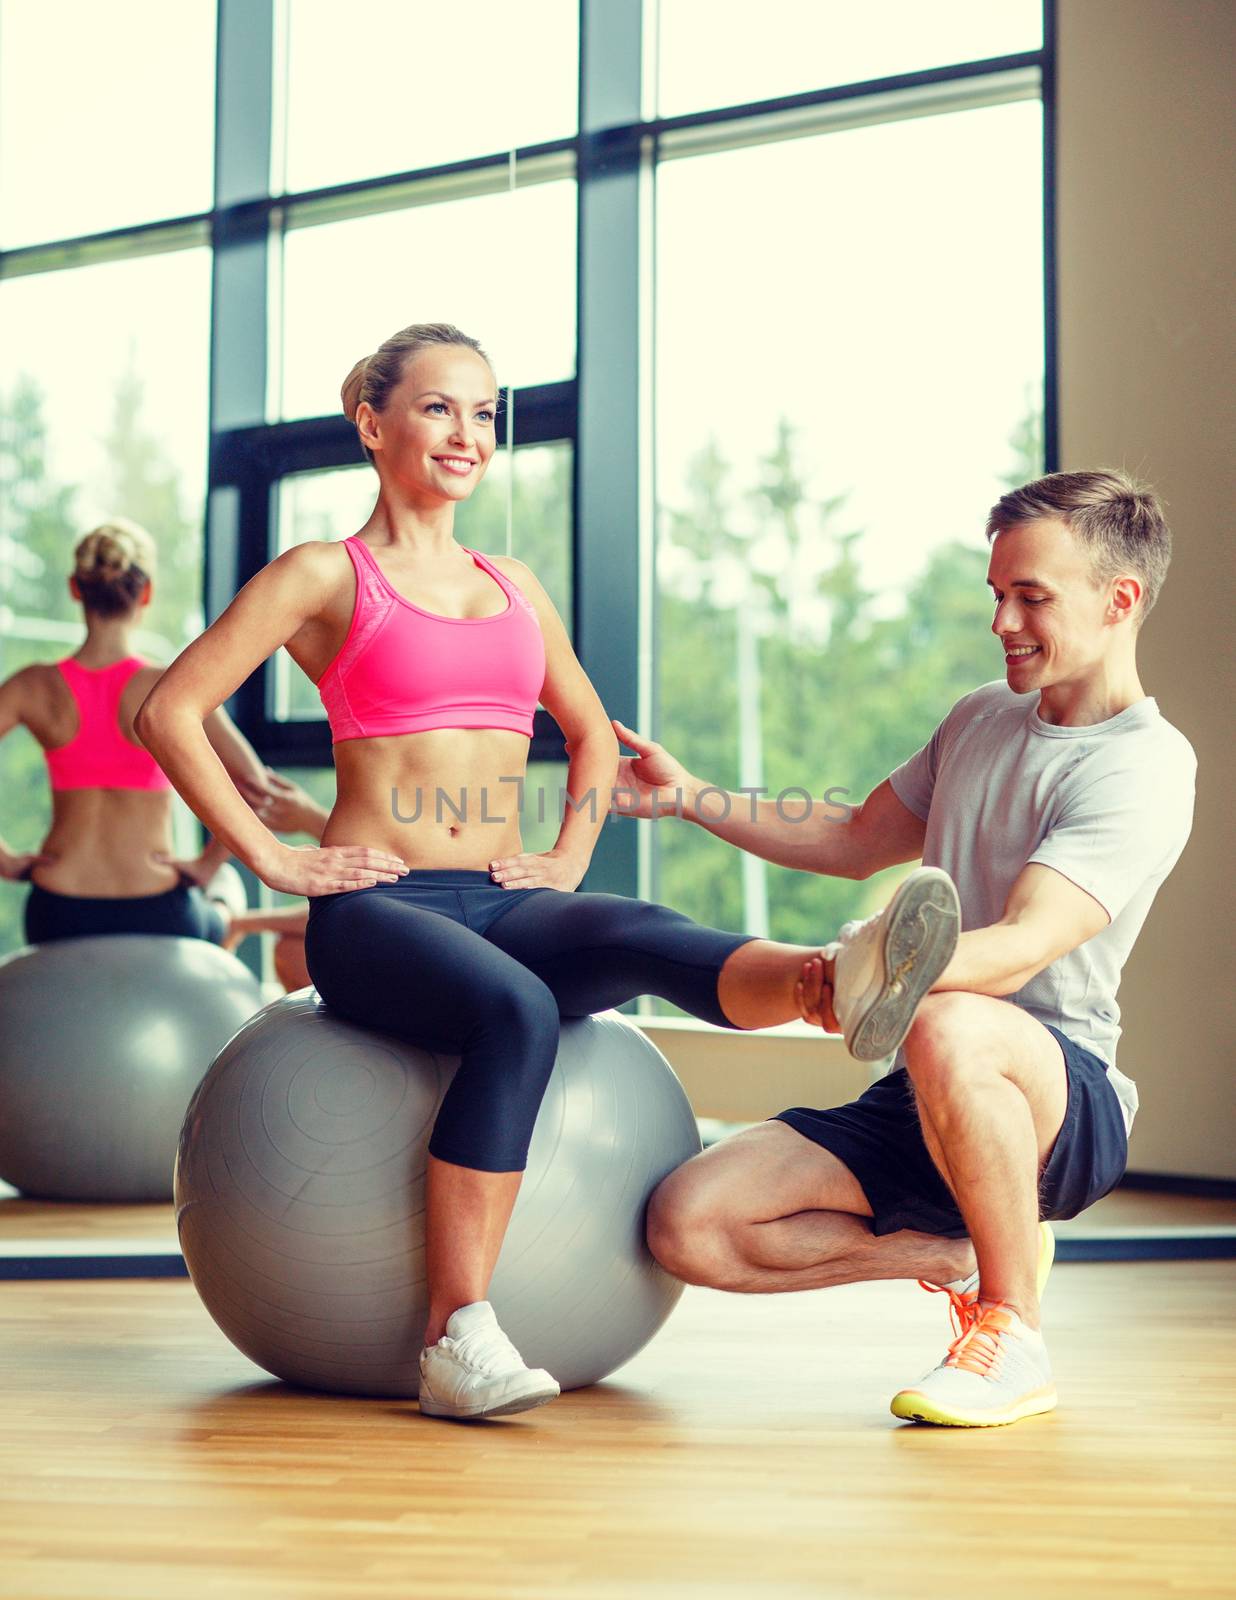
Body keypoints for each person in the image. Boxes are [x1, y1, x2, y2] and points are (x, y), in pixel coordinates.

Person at [134, 320, 962, 1422]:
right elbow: (168, 709)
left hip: (500, 893)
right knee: (517, 1012)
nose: (469, 434)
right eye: (438, 407)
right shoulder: (323, 575)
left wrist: (567, 856)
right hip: (376, 907)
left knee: (640, 930)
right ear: (372, 422)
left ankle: (831, 981)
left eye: (484, 413)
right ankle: (455, 1336)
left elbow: (588, 732)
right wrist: (275, 854)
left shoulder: (512, 582)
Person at [621, 469, 1196, 1428]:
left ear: (1119, 599)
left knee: (951, 1020)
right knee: (688, 1224)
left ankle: (1013, 1333)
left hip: (1062, 1096)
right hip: (926, 1081)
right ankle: (954, 1254)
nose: (1003, 620)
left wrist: (871, 976)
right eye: (997, 594)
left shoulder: (1143, 765)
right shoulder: (981, 717)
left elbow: (1016, 949)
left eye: (1032, 597)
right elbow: (851, 837)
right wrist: (691, 796)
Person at [0, 520, 284, 946]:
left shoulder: (30, 685)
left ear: (76, 589)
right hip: (156, 905)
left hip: (58, 906)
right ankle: (228, 921)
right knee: (227, 893)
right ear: (146, 593)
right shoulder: (169, 684)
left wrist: (5, 860)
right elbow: (256, 786)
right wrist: (207, 865)